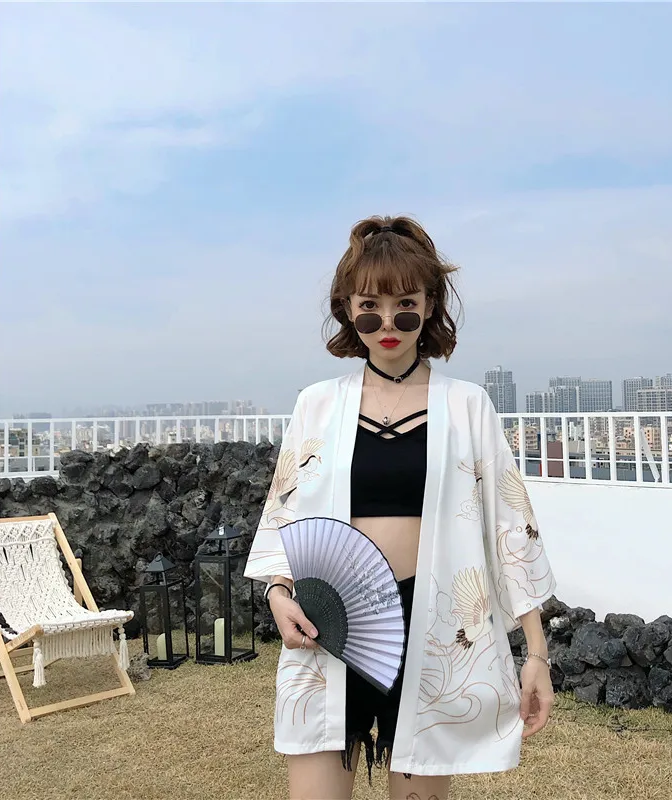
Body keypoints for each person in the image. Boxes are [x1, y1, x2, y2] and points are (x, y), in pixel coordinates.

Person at [244, 215, 557, 800]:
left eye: (405, 305)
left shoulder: (467, 407)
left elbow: (511, 527)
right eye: (370, 306)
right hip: (329, 621)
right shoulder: (316, 406)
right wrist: (278, 594)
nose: (387, 323)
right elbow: (284, 512)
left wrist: (536, 653)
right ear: (347, 309)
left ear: (430, 306)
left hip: (431, 625)